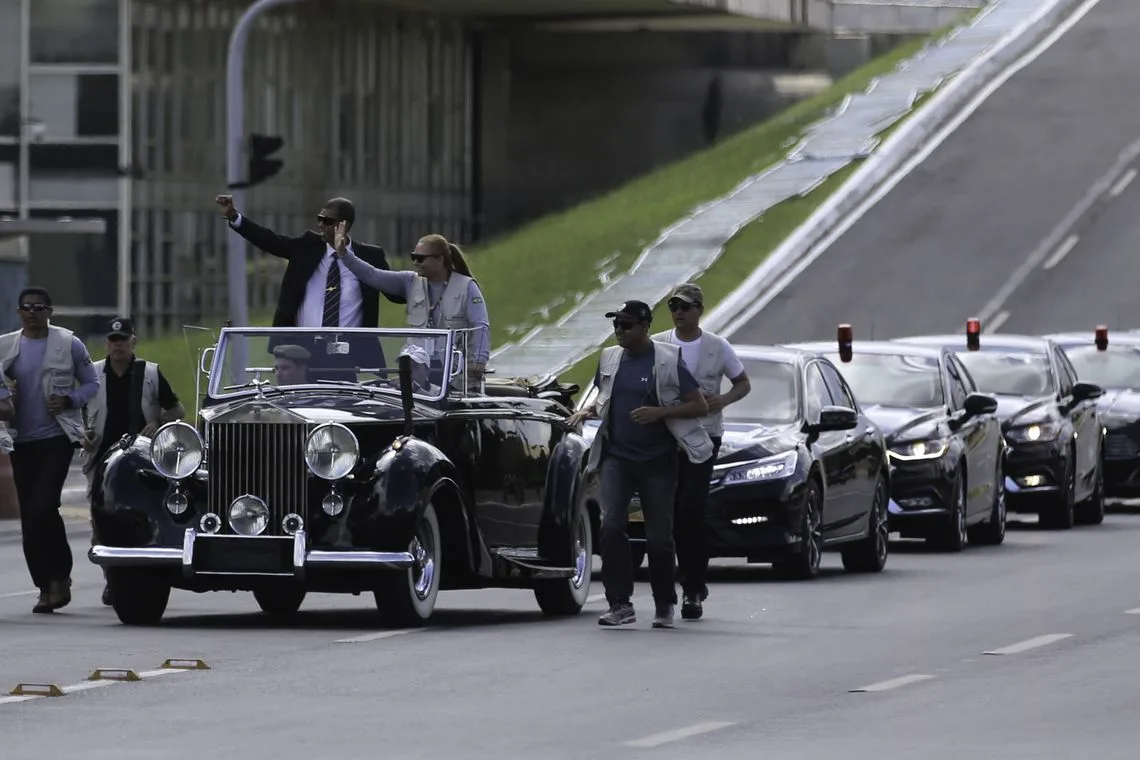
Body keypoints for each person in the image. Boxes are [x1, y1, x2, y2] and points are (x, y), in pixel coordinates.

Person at [567, 300, 712, 629]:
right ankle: (620, 603)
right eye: (616, 324)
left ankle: (664, 604)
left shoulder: (667, 359)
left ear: (645, 327)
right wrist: (586, 411)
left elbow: (698, 405)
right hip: (617, 457)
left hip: (657, 461)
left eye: (627, 325)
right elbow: (603, 397)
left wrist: (660, 413)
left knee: (659, 535)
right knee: (611, 525)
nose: (620, 331)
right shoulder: (609, 358)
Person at [652, 283, 751, 620]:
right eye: (674, 307)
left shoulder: (717, 347)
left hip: (704, 437)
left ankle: (693, 586)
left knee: (691, 509)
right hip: (666, 437)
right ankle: (671, 586)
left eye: (685, 307)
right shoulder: (659, 344)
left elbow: (743, 383)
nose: (679, 313)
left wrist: (722, 400)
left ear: (699, 310)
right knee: (668, 512)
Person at [0, 287, 100, 613]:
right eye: (27, 307)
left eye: (39, 307)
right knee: (32, 516)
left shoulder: (68, 343)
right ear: (19, 312)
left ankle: (60, 577)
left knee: (43, 506)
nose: (33, 312)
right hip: (20, 441)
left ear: (49, 311)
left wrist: (70, 400)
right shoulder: (5, 346)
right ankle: (45, 585)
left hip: (57, 438)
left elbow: (91, 384)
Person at [82, 316, 185, 606]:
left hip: (140, 459)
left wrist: (157, 420)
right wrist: (82, 434)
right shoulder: (92, 373)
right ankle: (111, 581)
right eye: (113, 341)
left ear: (133, 342)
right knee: (101, 523)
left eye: (123, 340)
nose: (118, 346)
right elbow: (75, 407)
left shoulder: (149, 373)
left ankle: (131, 579)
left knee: (136, 518)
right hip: (101, 459)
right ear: (107, 344)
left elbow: (177, 409)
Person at [214, 194, 405, 329]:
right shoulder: (307, 247)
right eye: (319, 218)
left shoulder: (370, 257)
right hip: (302, 353)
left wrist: (421, 284)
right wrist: (234, 217)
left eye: (326, 220)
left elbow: (395, 293)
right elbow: (271, 240)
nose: (320, 224)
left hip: (349, 355)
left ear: (343, 225)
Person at [334, 226, 490, 383]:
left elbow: (481, 325)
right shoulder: (409, 281)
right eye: (413, 257)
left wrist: (478, 361)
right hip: (417, 375)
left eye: (421, 258)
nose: (415, 262)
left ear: (440, 259)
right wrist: (345, 255)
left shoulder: (467, 286)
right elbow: (372, 275)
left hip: (455, 375)